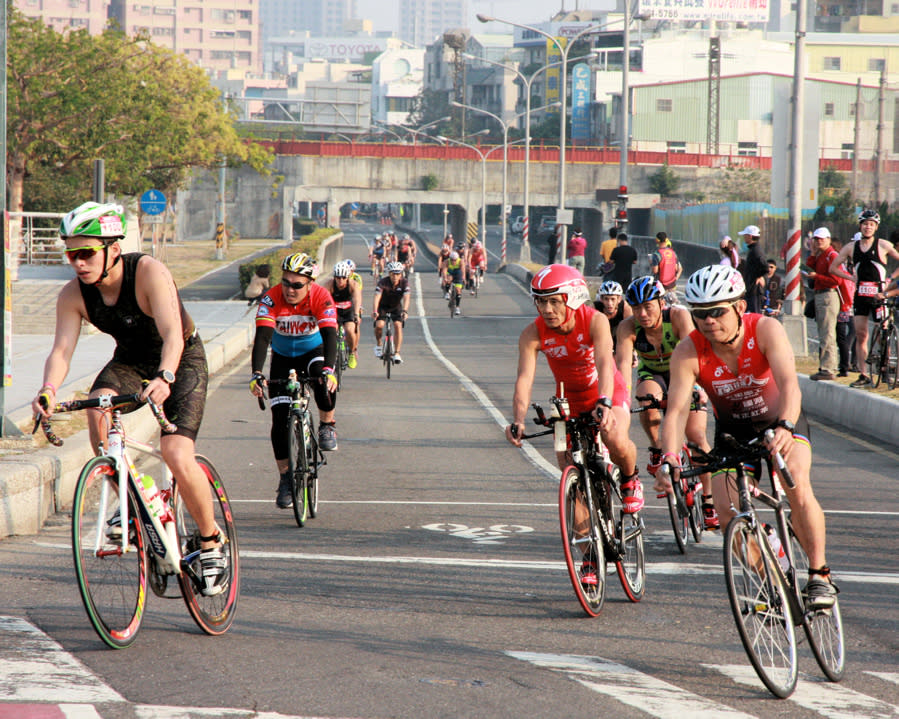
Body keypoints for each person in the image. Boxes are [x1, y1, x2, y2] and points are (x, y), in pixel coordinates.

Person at [32, 202, 228, 596]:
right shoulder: (73, 294)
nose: (77, 262)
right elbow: (62, 351)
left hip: (181, 360)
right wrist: (48, 391)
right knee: (98, 407)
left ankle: (210, 540)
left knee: (175, 453)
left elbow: (173, 333)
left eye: (86, 252)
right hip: (131, 362)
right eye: (70, 253)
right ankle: (133, 502)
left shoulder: (149, 272)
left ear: (113, 249)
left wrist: (166, 376)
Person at [658, 264, 837, 610]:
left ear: (740, 307)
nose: (708, 321)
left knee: (796, 483)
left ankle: (819, 575)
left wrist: (785, 425)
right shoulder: (688, 350)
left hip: (781, 421)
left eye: (716, 312)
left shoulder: (765, 329)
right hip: (734, 434)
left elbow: (789, 384)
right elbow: (677, 410)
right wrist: (668, 459)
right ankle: (775, 589)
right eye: (700, 314)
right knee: (727, 515)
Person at [505, 265, 642, 527]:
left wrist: (604, 401)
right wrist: (518, 419)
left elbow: (604, 362)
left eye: (554, 302)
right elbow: (524, 378)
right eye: (541, 302)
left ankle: (629, 479)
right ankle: (590, 556)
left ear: (574, 297)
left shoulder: (594, 320)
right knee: (569, 474)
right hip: (566, 403)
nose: (546, 309)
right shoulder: (532, 334)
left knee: (613, 437)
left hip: (607, 390)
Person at [615, 276, 717, 529]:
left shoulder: (679, 317)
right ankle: (657, 448)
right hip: (654, 374)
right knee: (647, 403)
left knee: (697, 439)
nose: (642, 313)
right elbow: (623, 367)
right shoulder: (628, 327)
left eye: (648, 306)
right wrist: (620, 402)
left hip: (684, 372)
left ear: (661, 303)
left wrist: (699, 388)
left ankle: (708, 500)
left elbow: (696, 355)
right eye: (636, 308)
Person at [250, 252, 339, 509]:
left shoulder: (321, 297)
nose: (290, 289)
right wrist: (257, 373)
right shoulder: (271, 298)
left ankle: (327, 424)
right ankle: (286, 478)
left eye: (297, 285)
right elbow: (263, 339)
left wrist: (330, 369)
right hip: (282, 356)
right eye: (286, 282)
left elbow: (330, 335)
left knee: (322, 378)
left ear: (310, 283)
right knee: (279, 421)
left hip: (313, 351)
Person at [828, 209, 899, 388]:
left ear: (876, 227)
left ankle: (885, 369)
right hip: (860, 295)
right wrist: (850, 277)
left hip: (878, 295)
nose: (868, 227)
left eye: (871, 224)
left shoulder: (883, 245)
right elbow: (833, 267)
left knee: (883, 330)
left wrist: (890, 278)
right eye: (865, 224)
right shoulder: (851, 247)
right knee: (861, 335)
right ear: (860, 226)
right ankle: (863, 374)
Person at [805, 228, 840, 381]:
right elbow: (809, 268)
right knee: (823, 332)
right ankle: (824, 366)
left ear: (828, 239)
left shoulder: (831, 256)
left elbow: (836, 280)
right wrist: (812, 253)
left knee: (827, 333)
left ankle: (828, 368)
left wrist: (817, 276)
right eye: (816, 239)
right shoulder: (821, 255)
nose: (819, 241)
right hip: (820, 294)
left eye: (822, 239)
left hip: (828, 294)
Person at [373, 261, 411, 363]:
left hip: (396, 307)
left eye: (398, 273)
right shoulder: (382, 282)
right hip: (383, 307)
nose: (395, 276)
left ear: (401, 274)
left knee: (398, 326)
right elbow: (377, 297)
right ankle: (379, 344)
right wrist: (375, 311)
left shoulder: (404, 283)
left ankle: (397, 353)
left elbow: (407, 297)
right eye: (393, 273)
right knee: (379, 325)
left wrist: (405, 311)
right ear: (389, 273)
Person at [329, 260, 362, 369]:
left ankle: (352, 352)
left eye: (343, 278)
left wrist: (357, 314)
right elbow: (322, 299)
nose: (340, 281)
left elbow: (357, 299)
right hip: (335, 311)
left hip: (348, 311)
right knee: (331, 330)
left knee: (349, 330)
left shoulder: (353, 284)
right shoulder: (329, 284)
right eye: (338, 278)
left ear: (347, 277)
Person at [593, 280, 632, 353]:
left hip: (620, 338)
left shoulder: (626, 308)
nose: (609, 303)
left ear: (619, 299)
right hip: (600, 340)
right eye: (606, 299)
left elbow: (631, 332)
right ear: (601, 299)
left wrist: (633, 352)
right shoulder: (594, 308)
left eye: (613, 299)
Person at [739, 225, 767, 314]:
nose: (744, 237)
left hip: (754, 290)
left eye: (745, 235)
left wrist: (760, 276)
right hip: (751, 289)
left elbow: (765, 267)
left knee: (754, 314)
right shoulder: (754, 249)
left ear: (750, 236)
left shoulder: (756, 251)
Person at [650, 232, 682, 303]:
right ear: (666, 240)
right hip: (672, 285)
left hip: (661, 285)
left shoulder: (657, 254)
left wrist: (651, 263)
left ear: (657, 241)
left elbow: (655, 271)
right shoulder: (673, 253)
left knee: (661, 304)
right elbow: (676, 268)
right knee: (672, 304)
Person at [444, 250, 466, 315]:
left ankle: (457, 307)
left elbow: (463, 271)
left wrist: (463, 278)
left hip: (458, 272)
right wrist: (445, 278)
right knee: (448, 279)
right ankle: (447, 292)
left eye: (455, 260)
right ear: (450, 259)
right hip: (450, 271)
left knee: (458, 290)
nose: (453, 261)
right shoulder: (447, 261)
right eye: (452, 260)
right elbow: (444, 271)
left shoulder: (460, 261)